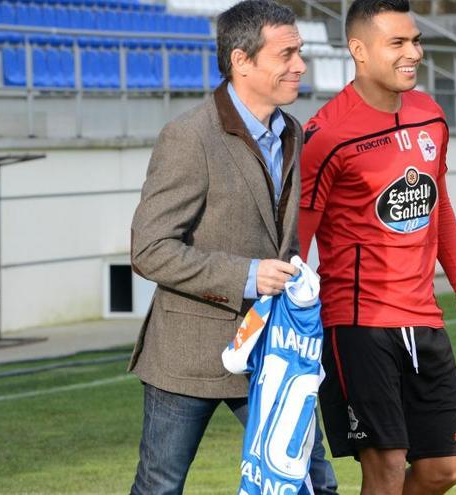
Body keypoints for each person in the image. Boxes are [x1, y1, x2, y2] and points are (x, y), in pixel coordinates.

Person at [127, 1, 337, 493]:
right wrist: (247, 275)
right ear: (242, 60)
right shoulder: (187, 137)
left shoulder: (293, 132)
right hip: (189, 356)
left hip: (275, 352)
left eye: (300, 52)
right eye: (286, 54)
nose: (300, 65)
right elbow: (150, 249)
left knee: (314, 483)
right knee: (159, 488)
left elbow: (278, 236)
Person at [298, 1, 456, 494]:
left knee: (444, 469)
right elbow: (296, 241)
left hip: (423, 319)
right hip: (357, 325)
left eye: (416, 41)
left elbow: (438, 205)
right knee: (384, 469)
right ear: (359, 51)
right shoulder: (327, 135)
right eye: (398, 43)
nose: (414, 54)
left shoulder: (430, 114)